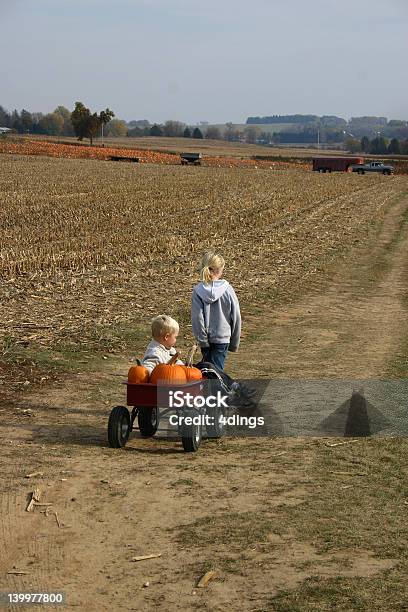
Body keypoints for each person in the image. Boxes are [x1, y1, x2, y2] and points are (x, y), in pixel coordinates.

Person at [141, 314, 255, 405]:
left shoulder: (165, 348)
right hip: (174, 382)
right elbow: (147, 368)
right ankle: (230, 393)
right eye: (175, 337)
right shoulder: (155, 352)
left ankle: (234, 387)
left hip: (182, 374)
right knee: (208, 368)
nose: (176, 340)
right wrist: (154, 374)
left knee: (207, 365)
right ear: (166, 337)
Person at [191, 251, 241, 371]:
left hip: (206, 340)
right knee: (215, 374)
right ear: (220, 270)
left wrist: (202, 341)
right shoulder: (228, 290)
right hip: (223, 338)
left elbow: (197, 319)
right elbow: (236, 317)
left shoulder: (198, 291)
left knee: (210, 372)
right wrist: (234, 342)